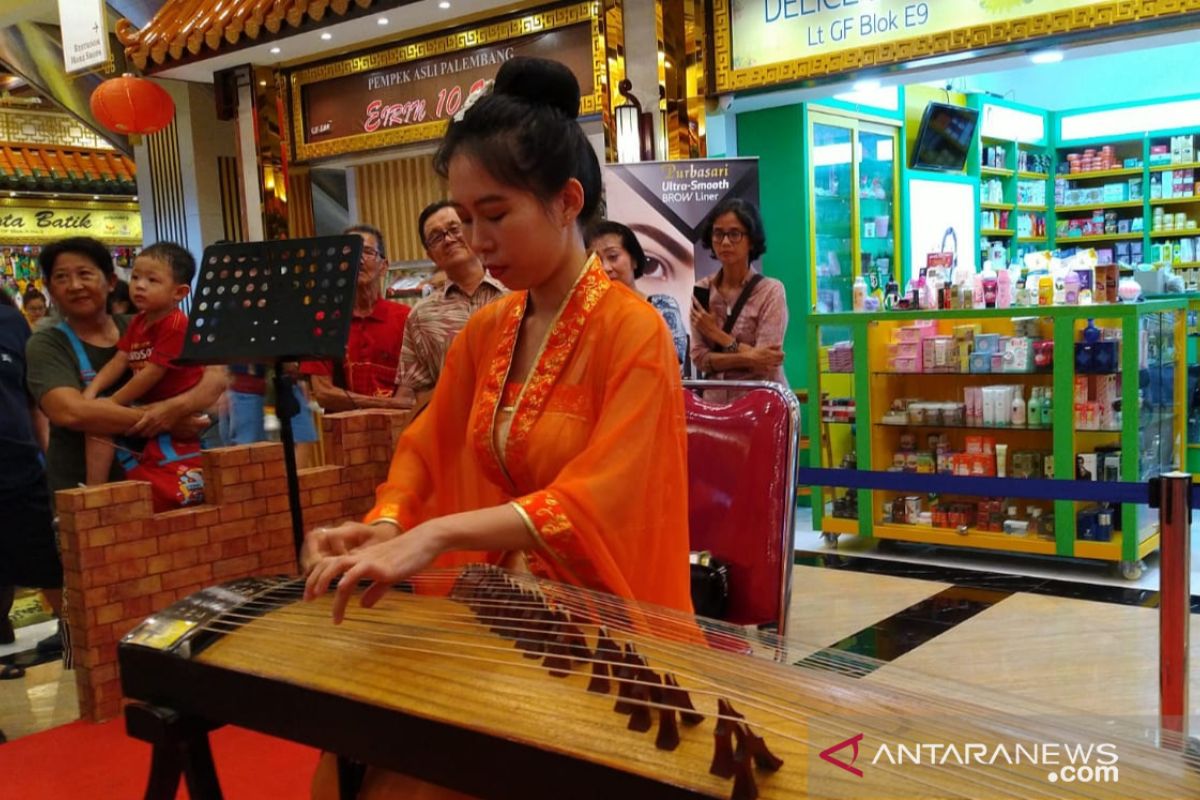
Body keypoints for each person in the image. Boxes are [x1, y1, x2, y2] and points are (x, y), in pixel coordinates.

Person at [301, 58, 692, 799]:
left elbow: (606, 495)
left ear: (565, 201)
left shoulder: (630, 332)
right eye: (463, 218)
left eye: (495, 214)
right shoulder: (490, 329)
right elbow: (426, 446)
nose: (476, 240)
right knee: (355, 752)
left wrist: (440, 536)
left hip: (602, 620)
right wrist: (387, 524)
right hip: (501, 605)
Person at [25, 237, 223, 496]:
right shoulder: (47, 343)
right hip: (78, 486)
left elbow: (216, 377)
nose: (74, 285)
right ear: (50, 289)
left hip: (165, 478)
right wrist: (167, 420)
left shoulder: (150, 324)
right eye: (61, 278)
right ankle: (95, 489)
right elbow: (72, 412)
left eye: (84, 274)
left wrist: (173, 409)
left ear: (110, 282)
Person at [80, 243, 204, 485]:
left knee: (100, 420)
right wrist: (91, 391)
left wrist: (113, 403)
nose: (139, 285)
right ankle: (94, 489)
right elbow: (119, 360)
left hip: (180, 408)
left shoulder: (176, 325)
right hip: (151, 405)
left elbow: (152, 373)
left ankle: (94, 491)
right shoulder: (139, 322)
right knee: (98, 419)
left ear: (179, 293)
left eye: (152, 280)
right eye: (135, 277)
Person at [393, 201, 506, 420]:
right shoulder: (420, 316)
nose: (448, 239)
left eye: (455, 229)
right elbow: (418, 391)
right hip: (456, 432)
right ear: (430, 254)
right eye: (436, 237)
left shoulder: (517, 291)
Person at [0, 290, 62, 670]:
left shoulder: (9, 323)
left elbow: (33, 400)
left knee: (47, 564)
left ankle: (77, 648)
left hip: (19, 466)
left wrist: (48, 457)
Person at [301, 225, 412, 412]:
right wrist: (389, 405)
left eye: (368, 252)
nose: (358, 259)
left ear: (383, 266)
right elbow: (323, 393)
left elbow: (410, 393)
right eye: (350, 252)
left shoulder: (407, 319)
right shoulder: (322, 321)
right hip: (342, 436)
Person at [688, 198, 788, 399]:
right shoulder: (702, 290)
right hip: (714, 404)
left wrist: (717, 335)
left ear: (751, 240)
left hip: (759, 403)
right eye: (718, 234)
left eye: (734, 234)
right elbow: (699, 358)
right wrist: (749, 356)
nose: (725, 242)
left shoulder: (770, 291)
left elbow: (766, 364)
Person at [586, 220, 690, 376]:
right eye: (596, 260)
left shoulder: (662, 306)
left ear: (634, 260)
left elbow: (674, 359)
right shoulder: (587, 312)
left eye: (613, 256)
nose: (605, 267)